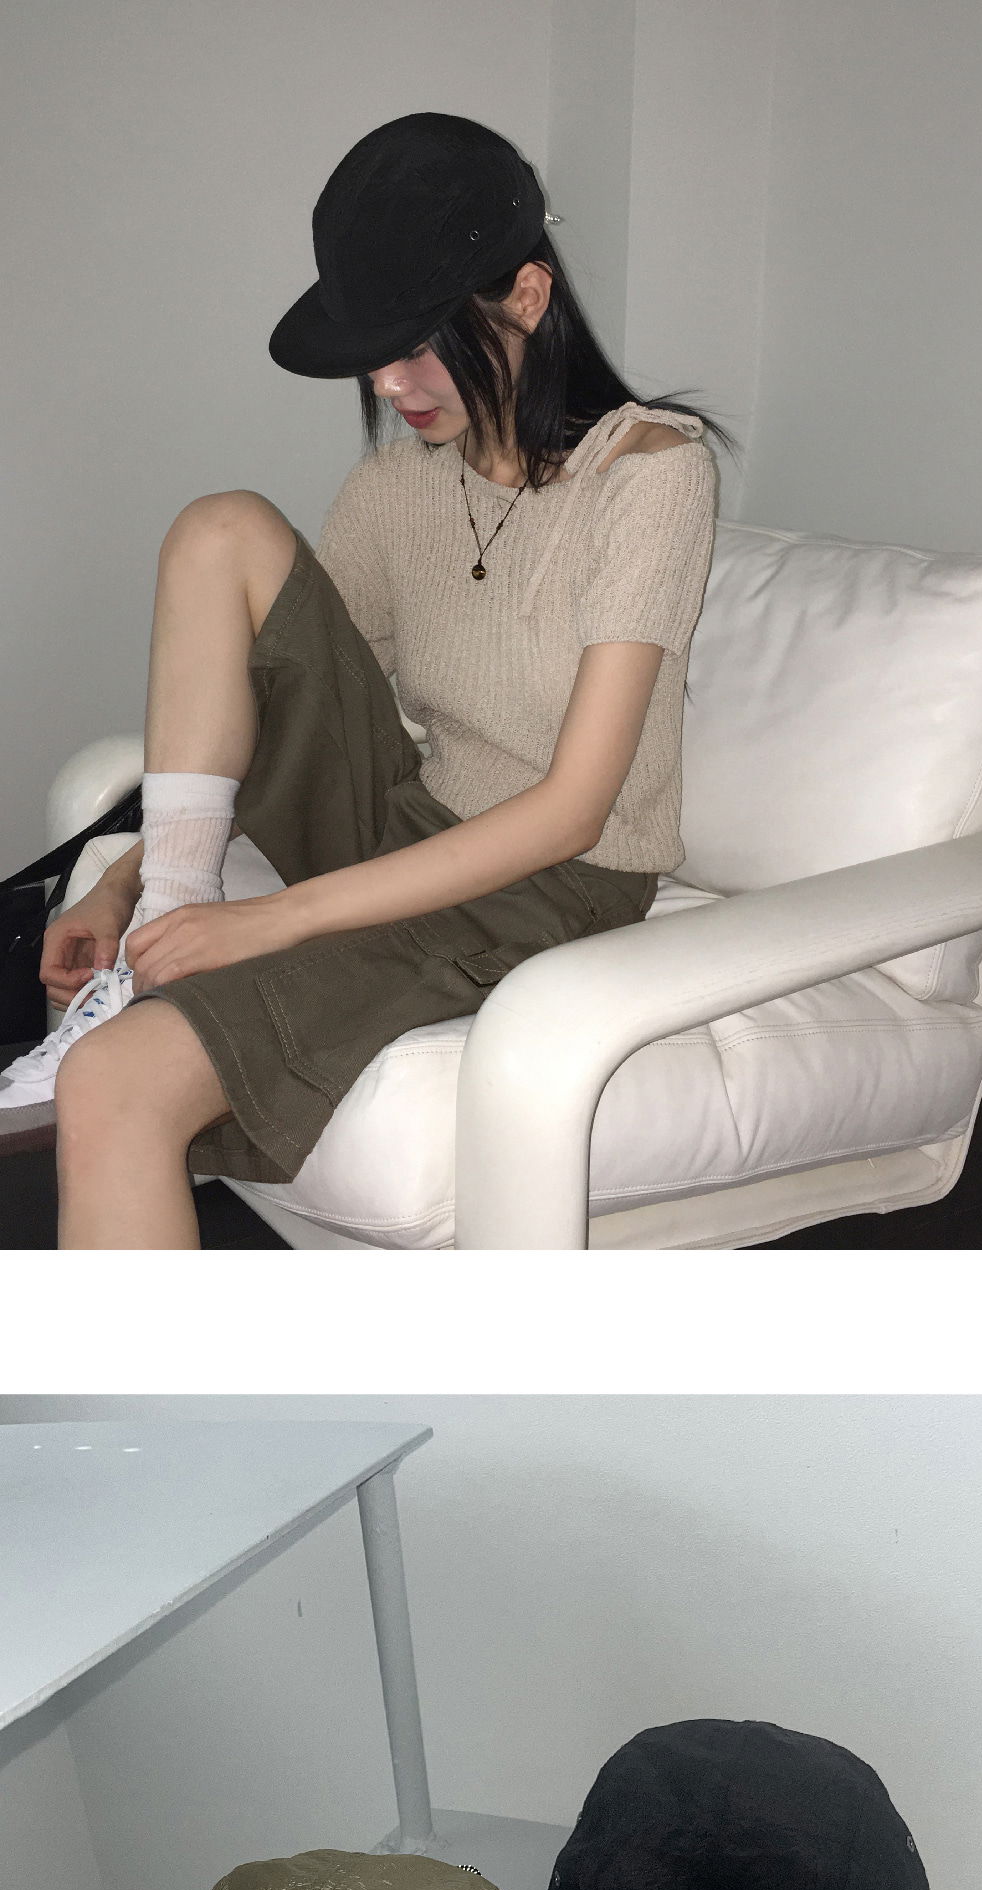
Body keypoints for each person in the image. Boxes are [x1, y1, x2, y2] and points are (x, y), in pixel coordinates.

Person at [44, 111, 718, 1246]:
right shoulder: (396, 489)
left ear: (527, 298)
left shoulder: (650, 477)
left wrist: (275, 923)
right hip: (406, 816)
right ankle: (170, 907)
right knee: (220, 527)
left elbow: (573, 810)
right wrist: (125, 882)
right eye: (374, 349)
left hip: (552, 883)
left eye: (415, 343)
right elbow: (270, 713)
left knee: (113, 1079)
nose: (387, 380)